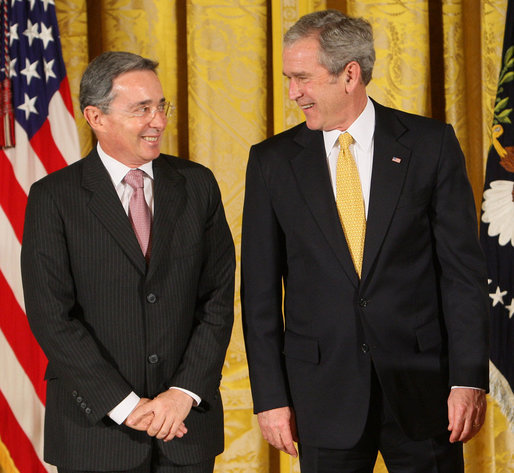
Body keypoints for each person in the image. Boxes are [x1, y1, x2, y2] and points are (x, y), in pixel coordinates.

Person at [241, 10, 489, 473]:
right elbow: (257, 295)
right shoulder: (272, 162)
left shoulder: (430, 145)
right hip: (321, 396)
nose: (293, 93)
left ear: (349, 73)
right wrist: (270, 398)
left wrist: (468, 379)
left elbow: (462, 275)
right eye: (288, 79)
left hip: (423, 393)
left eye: (302, 78)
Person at [21, 51, 235, 473]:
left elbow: (218, 299)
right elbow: (51, 316)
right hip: (96, 431)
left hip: (185, 427)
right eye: (142, 109)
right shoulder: (53, 198)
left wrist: (183, 393)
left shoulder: (197, 184)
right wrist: (124, 406)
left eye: (161, 106)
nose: (158, 121)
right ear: (96, 116)